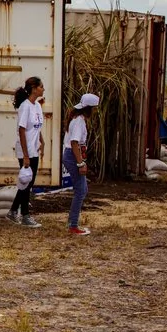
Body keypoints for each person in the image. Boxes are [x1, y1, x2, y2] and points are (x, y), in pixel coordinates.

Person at [9, 77, 48, 227]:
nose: (43, 89)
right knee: (26, 183)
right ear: (34, 88)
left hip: (34, 149)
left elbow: (37, 126)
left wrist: (42, 141)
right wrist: (25, 155)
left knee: (28, 183)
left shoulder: (37, 105)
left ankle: (13, 211)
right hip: (25, 150)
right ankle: (25, 215)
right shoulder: (25, 106)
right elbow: (22, 129)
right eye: (41, 86)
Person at [64, 93, 97, 236]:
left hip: (73, 155)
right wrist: (80, 163)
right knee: (81, 191)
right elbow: (74, 143)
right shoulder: (79, 122)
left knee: (82, 189)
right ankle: (73, 225)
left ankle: (73, 221)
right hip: (73, 155)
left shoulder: (77, 119)